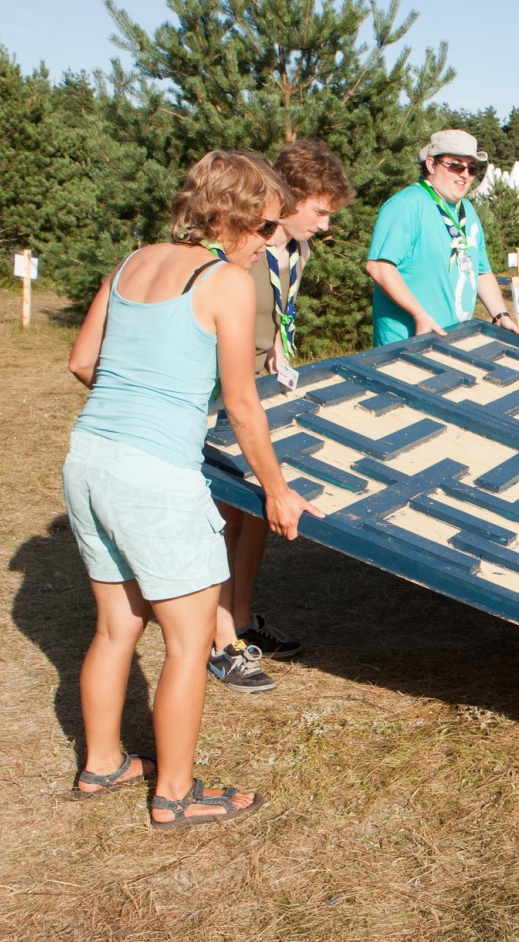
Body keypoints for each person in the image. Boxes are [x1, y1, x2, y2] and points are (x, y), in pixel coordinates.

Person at [63, 151, 320, 830]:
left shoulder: (132, 263)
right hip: (155, 477)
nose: (271, 242)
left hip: (89, 456)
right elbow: (241, 402)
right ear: (233, 217)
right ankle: (175, 794)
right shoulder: (225, 282)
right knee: (187, 642)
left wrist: (134, 404)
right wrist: (277, 491)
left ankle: (103, 763)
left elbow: (82, 360)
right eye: (267, 228)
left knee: (117, 627)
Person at [209, 140, 355, 693]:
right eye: (318, 211)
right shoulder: (244, 249)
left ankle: (243, 620)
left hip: (261, 379)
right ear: (287, 200)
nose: (323, 225)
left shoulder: (296, 249)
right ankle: (218, 642)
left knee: (252, 514)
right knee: (224, 515)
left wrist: (279, 351)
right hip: (221, 392)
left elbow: (276, 313)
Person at [365, 129, 518, 345]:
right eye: (455, 165)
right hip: (407, 344)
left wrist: (500, 315)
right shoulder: (406, 205)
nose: (464, 174)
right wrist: (419, 315)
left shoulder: (468, 210)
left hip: (454, 340)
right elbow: (379, 267)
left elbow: (480, 271)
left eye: (471, 168)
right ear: (430, 164)